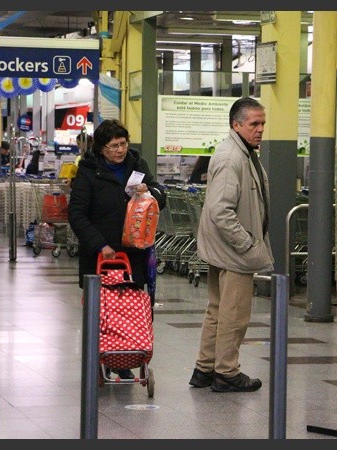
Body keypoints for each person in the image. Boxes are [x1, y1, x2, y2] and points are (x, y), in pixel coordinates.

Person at [68, 119, 166, 380]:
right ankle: (103, 356)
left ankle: (124, 355)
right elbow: (77, 214)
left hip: (133, 254)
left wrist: (151, 192)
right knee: (103, 312)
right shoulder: (88, 172)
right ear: (101, 148)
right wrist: (101, 244)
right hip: (100, 256)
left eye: (123, 144)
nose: (120, 150)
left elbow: (160, 195)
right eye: (113, 146)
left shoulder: (138, 165)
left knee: (130, 310)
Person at [189, 97, 274, 393]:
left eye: (263, 123)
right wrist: (247, 244)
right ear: (236, 125)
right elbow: (220, 210)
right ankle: (226, 372)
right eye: (254, 124)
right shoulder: (232, 157)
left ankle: (205, 368)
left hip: (222, 249)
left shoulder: (243, 153)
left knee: (217, 309)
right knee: (234, 314)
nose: (260, 129)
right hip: (233, 251)